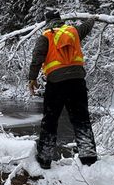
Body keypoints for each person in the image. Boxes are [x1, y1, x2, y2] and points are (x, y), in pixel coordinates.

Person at [28, 9, 98, 169]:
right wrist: (93, 18)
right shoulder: (73, 32)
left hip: (56, 83)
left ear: (47, 23)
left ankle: (45, 159)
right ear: (60, 20)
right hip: (77, 82)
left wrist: (32, 78)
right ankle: (89, 159)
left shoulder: (45, 36)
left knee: (50, 120)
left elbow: (37, 58)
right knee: (81, 119)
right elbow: (86, 27)